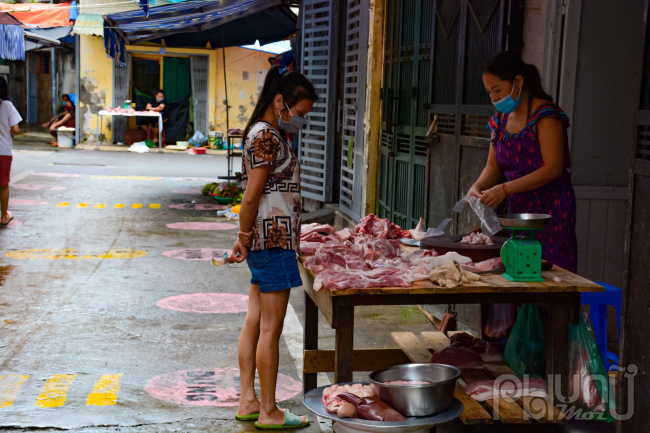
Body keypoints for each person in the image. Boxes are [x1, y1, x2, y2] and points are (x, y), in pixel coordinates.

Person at [229, 65, 317, 430]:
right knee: (271, 328)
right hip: (274, 241)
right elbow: (250, 197)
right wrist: (244, 236)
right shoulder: (267, 136)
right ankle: (269, 410)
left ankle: (249, 401)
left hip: (265, 240)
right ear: (279, 101)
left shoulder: (261, 133)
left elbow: (257, 196)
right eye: (299, 114)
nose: (301, 121)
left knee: (255, 321)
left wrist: (245, 237)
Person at [469, 51, 577, 272]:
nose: (495, 98)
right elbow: (493, 166)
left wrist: (505, 188)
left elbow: (554, 168)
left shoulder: (545, 115)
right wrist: (477, 187)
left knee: (550, 273)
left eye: (497, 90)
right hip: (516, 212)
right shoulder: (498, 121)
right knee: (515, 270)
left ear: (518, 81)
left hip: (550, 210)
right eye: (490, 93)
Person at [0, 76, 22, 226]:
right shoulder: (6, 105)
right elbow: (15, 129)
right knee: (3, 184)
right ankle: (3, 216)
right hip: (3, 151)